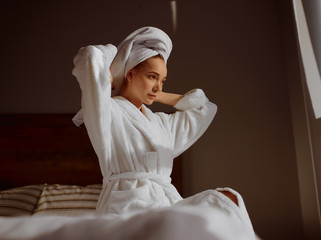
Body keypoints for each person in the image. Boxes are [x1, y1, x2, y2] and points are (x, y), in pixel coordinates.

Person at [72, 26, 256, 237]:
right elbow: (90, 57)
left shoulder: (161, 123)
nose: (159, 86)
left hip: (167, 202)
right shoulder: (107, 111)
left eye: (162, 80)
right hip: (127, 205)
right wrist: (112, 75)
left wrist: (156, 94)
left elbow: (205, 108)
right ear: (130, 73)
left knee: (226, 199)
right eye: (152, 76)